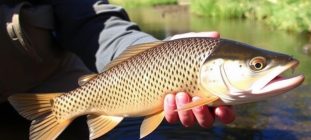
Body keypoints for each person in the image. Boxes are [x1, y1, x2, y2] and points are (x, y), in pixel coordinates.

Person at [0, 0, 235, 139]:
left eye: (257, 65)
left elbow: (93, 23)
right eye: (257, 65)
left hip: (49, 81)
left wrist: (164, 51)